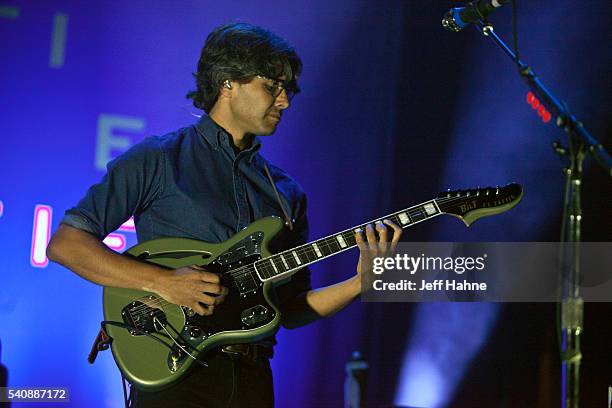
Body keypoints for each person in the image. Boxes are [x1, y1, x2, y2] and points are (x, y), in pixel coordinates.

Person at [47, 22, 402, 408]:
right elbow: (67, 244)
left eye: (288, 90)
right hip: (173, 370)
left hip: (253, 379)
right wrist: (164, 283)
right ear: (228, 82)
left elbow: (292, 308)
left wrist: (360, 283)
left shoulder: (286, 192)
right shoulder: (160, 158)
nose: (285, 101)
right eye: (273, 86)